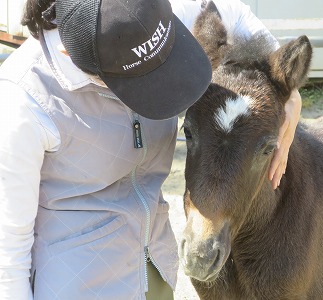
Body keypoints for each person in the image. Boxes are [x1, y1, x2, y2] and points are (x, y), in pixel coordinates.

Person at [0, 0, 301, 299]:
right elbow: (7, 251)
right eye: (145, 77)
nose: (162, 79)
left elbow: (227, 9)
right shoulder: (24, 103)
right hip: (80, 287)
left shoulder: (137, 16)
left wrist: (287, 91)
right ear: (80, 60)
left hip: (153, 268)